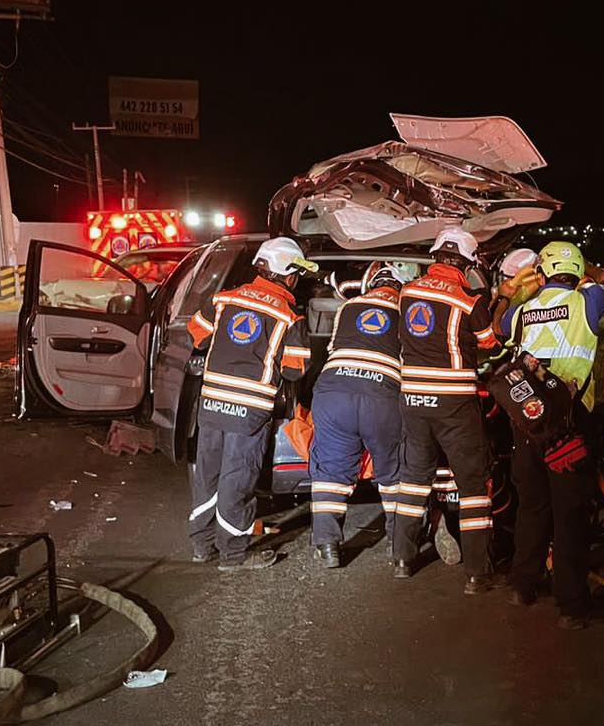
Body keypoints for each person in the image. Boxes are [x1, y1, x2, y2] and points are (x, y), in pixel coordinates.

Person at [496, 240, 604, 628]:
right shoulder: (588, 302)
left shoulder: (523, 310)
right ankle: (572, 606)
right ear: (577, 269)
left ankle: (522, 585)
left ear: (543, 272)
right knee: (569, 516)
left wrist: (521, 291)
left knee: (532, 507)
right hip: (570, 422)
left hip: (526, 422)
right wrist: (589, 271)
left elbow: (501, 325)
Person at [187, 237, 316, 571]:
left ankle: (201, 545)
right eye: (295, 275)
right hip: (249, 410)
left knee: (207, 476)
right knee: (237, 479)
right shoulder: (290, 317)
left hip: (212, 403)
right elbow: (294, 370)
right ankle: (232, 555)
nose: (295, 281)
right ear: (286, 273)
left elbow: (196, 334)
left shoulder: (223, 298)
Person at [391, 226, 500, 591]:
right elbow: (489, 344)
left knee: (414, 480)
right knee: (472, 485)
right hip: (454, 402)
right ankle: (476, 573)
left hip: (413, 400)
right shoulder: (470, 300)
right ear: (468, 263)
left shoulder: (407, 293)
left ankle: (403, 559)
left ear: (435, 256)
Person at [308, 260, 417, 569]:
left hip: (334, 390)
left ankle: (328, 546)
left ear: (372, 283)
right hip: (381, 395)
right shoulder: (410, 313)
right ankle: (401, 553)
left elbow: (332, 348)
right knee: (394, 473)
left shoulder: (351, 306)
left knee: (330, 471)